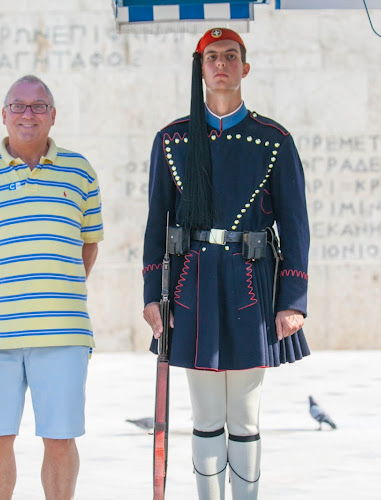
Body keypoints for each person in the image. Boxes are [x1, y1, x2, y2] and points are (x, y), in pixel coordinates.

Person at [142, 28, 310, 499]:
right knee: (206, 414)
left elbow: (296, 225)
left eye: (230, 56)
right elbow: (157, 224)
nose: (221, 64)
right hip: (192, 285)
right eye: (212, 57)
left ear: (245, 68)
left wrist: (291, 300)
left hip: (251, 281)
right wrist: (151, 296)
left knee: (246, 414)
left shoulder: (272, 139)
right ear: (200, 68)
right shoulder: (172, 139)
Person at [0, 74, 103, 500]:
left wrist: (58, 288)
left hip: (63, 332)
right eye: (18, 105)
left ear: (53, 116)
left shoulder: (80, 172)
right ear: (3, 116)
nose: (28, 114)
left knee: (60, 439)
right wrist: (3, 290)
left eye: (38, 106)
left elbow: (88, 245)